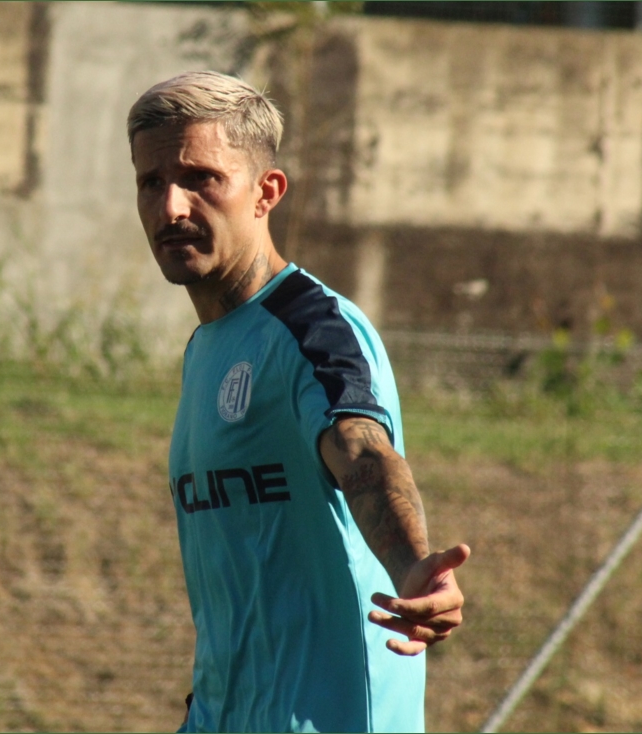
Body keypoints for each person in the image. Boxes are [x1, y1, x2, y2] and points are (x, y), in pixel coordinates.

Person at [127, 70, 470, 733]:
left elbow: (362, 452)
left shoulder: (312, 330)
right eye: (151, 182)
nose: (170, 207)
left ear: (266, 192)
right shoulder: (207, 348)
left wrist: (413, 568)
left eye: (200, 179)